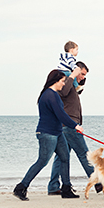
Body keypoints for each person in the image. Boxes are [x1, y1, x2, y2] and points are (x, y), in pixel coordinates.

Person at [13, 70, 84, 201]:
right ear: (56, 81)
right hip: (47, 133)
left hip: (57, 132)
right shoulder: (50, 95)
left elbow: (60, 115)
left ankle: (66, 189)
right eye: (62, 81)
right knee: (42, 161)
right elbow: (61, 114)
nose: (63, 84)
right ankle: (21, 187)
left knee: (65, 157)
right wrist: (75, 126)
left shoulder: (54, 94)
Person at [47, 61, 103, 195]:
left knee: (61, 157)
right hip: (70, 125)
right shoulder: (66, 81)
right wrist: (73, 75)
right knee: (85, 154)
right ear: (76, 70)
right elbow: (65, 92)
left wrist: (80, 82)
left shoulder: (72, 84)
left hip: (67, 125)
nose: (83, 77)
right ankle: (98, 182)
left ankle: (53, 186)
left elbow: (77, 93)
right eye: (82, 74)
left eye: (84, 75)